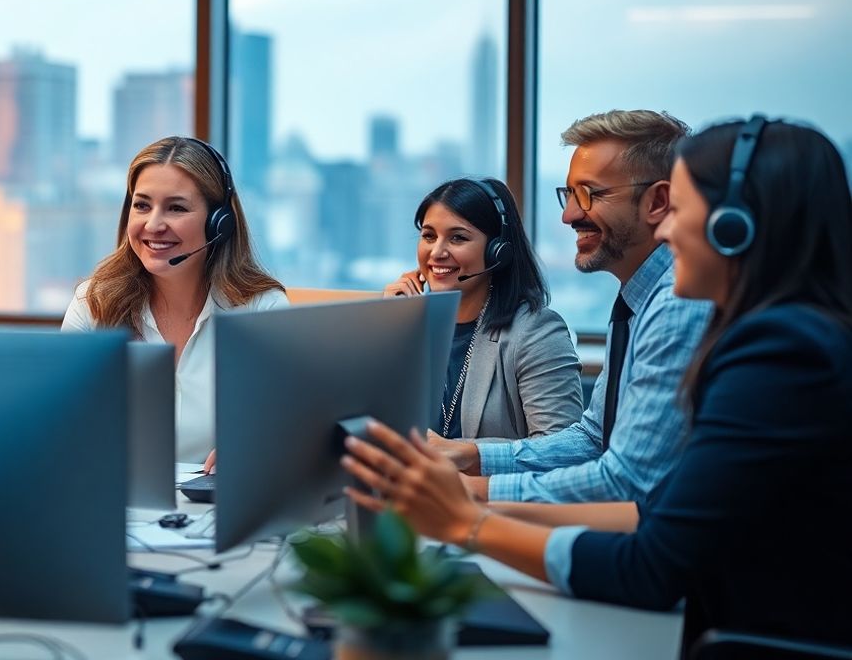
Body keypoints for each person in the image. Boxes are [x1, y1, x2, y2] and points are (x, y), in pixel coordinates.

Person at [344, 117, 852, 656]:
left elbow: (643, 535)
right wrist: (469, 479)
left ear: (733, 227)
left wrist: (467, 519)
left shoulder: (776, 349)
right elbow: (626, 480)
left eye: (681, 210)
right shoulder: (675, 312)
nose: (669, 232)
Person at [430, 110, 711, 503]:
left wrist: (472, 491)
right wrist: (470, 455)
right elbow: (594, 439)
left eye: (589, 194)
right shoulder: (634, 304)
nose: (569, 215)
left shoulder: (675, 304)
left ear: (658, 201)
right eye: (569, 195)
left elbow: (627, 480)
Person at [62, 136, 287, 464]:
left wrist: (256, 450)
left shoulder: (262, 309)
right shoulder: (93, 303)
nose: (153, 225)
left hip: (221, 506)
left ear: (218, 223)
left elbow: (287, 430)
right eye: (142, 205)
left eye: (176, 208)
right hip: (117, 504)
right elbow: (61, 423)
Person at [383, 178, 582, 441]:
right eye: (429, 236)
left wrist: (462, 459)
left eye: (457, 238)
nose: (437, 252)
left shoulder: (537, 332)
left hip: (487, 483)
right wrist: (388, 326)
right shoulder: (413, 327)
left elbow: (561, 450)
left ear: (497, 252)